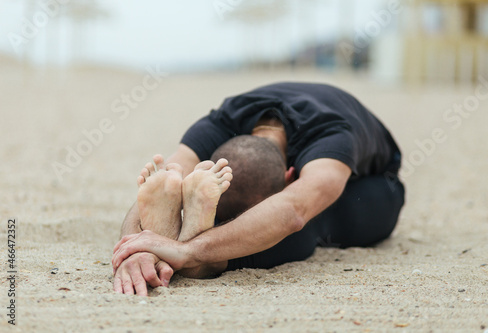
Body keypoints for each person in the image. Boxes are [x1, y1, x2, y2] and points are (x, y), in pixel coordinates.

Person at [112, 82, 405, 295]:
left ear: (292, 175)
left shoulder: (332, 139)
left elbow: (293, 211)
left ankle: (201, 251)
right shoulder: (221, 120)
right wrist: (137, 249)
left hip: (376, 179)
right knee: (173, 179)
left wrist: (185, 250)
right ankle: (206, 256)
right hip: (302, 137)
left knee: (314, 217)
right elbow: (166, 182)